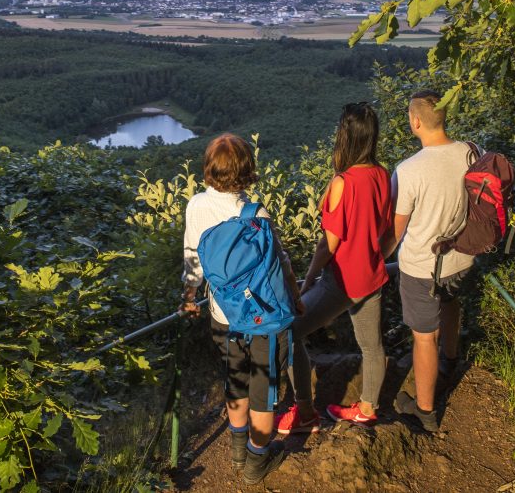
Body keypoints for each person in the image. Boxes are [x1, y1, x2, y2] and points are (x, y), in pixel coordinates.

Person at [179, 133, 303, 484]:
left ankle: (236, 449)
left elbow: (192, 262)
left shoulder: (196, 206)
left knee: (236, 382)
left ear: (208, 170)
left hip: (225, 316)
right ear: (249, 171)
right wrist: (296, 297)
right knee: (264, 392)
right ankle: (256, 463)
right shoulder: (256, 213)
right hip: (264, 320)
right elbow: (282, 263)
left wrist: (189, 298)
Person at [275, 102, 392, 433]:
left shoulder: (344, 182)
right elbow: (383, 227)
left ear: (345, 136)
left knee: (292, 330)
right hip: (372, 274)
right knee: (372, 346)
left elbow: (330, 244)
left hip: (340, 280)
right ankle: (367, 408)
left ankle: (304, 412)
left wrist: (308, 280)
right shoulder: (382, 174)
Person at [381, 90, 474, 433]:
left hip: (423, 268)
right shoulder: (469, 152)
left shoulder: (408, 170)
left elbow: (396, 231)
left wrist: (378, 258)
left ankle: (424, 410)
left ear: (415, 121)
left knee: (423, 337)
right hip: (463, 258)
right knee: (451, 304)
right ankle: (451, 360)